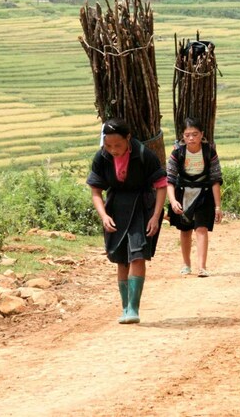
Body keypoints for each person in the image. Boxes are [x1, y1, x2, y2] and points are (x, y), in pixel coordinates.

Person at [87, 118, 167, 324]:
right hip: (115, 208)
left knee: (138, 255)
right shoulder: (101, 157)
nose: (113, 149)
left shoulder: (144, 155)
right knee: (121, 258)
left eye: (118, 145)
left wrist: (156, 216)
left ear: (128, 139)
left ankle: (133, 308)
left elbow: (161, 186)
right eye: (108, 145)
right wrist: (104, 215)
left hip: (142, 206)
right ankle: (124, 307)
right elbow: (96, 190)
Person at [166, 117, 223, 278]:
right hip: (182, 194)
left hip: (204, 195)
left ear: (202, 134)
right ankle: (186, 264)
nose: (191, 138)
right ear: (182, 136)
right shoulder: (177, 153)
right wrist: (173, 200)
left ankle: (202, 267)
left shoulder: (209, 152)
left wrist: (218, 206)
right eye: (187, 135)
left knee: (201, 229)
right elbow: (169, 180)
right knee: (185, 230)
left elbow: (215, 179)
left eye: (195, 134)